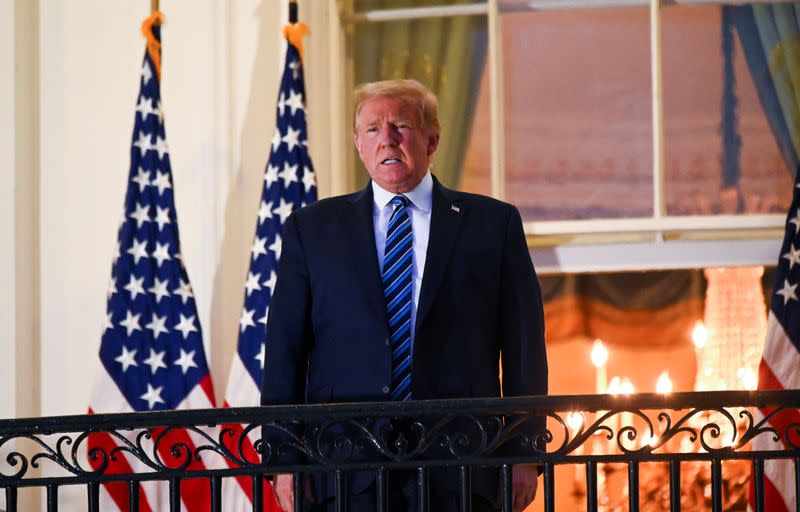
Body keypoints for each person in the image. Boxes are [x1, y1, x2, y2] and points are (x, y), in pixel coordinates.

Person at [261, 79, 548, 512]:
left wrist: (526, 452)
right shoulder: (311, 230)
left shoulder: (493, 225)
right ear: (359, 144)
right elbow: (285, 350)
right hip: (344, 465)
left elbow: (524, 347)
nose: (387, 139)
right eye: (373, 129)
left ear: (432, 139)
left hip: (461, 463)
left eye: (401, 126)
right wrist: (284, 459)